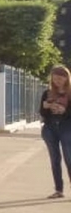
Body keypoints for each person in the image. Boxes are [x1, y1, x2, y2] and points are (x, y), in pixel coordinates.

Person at [39, 64, 70, 198]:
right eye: (55, 78)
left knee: (69, 158)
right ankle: (59, 190)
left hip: (67, 127)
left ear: (66, 78)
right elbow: (41, 112)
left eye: (60, 78)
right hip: (50, 127)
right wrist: (46, 107)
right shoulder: (47, 93)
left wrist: (64, 111)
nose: (57, 81)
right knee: (54, 158)